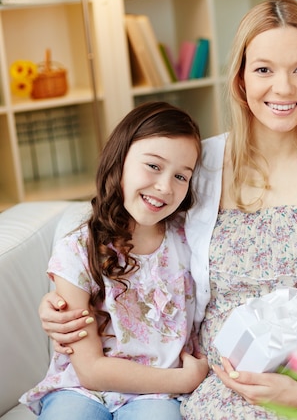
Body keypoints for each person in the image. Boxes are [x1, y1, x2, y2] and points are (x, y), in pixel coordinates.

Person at [37, 0, 297, 419]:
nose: (283, 88)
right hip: (223, 379)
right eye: (263, 69)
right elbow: (121, 226)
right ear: (240, 78)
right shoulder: (201, 164)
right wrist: (62, 302)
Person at [20, 101, 208, 419]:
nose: (164, 186)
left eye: (181, 176)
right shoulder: (79, 247)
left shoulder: (190, 240)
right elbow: (90, 369)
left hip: (157, 394)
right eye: (153, 166)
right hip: (81, 389)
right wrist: (185, 379)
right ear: (119, 161)